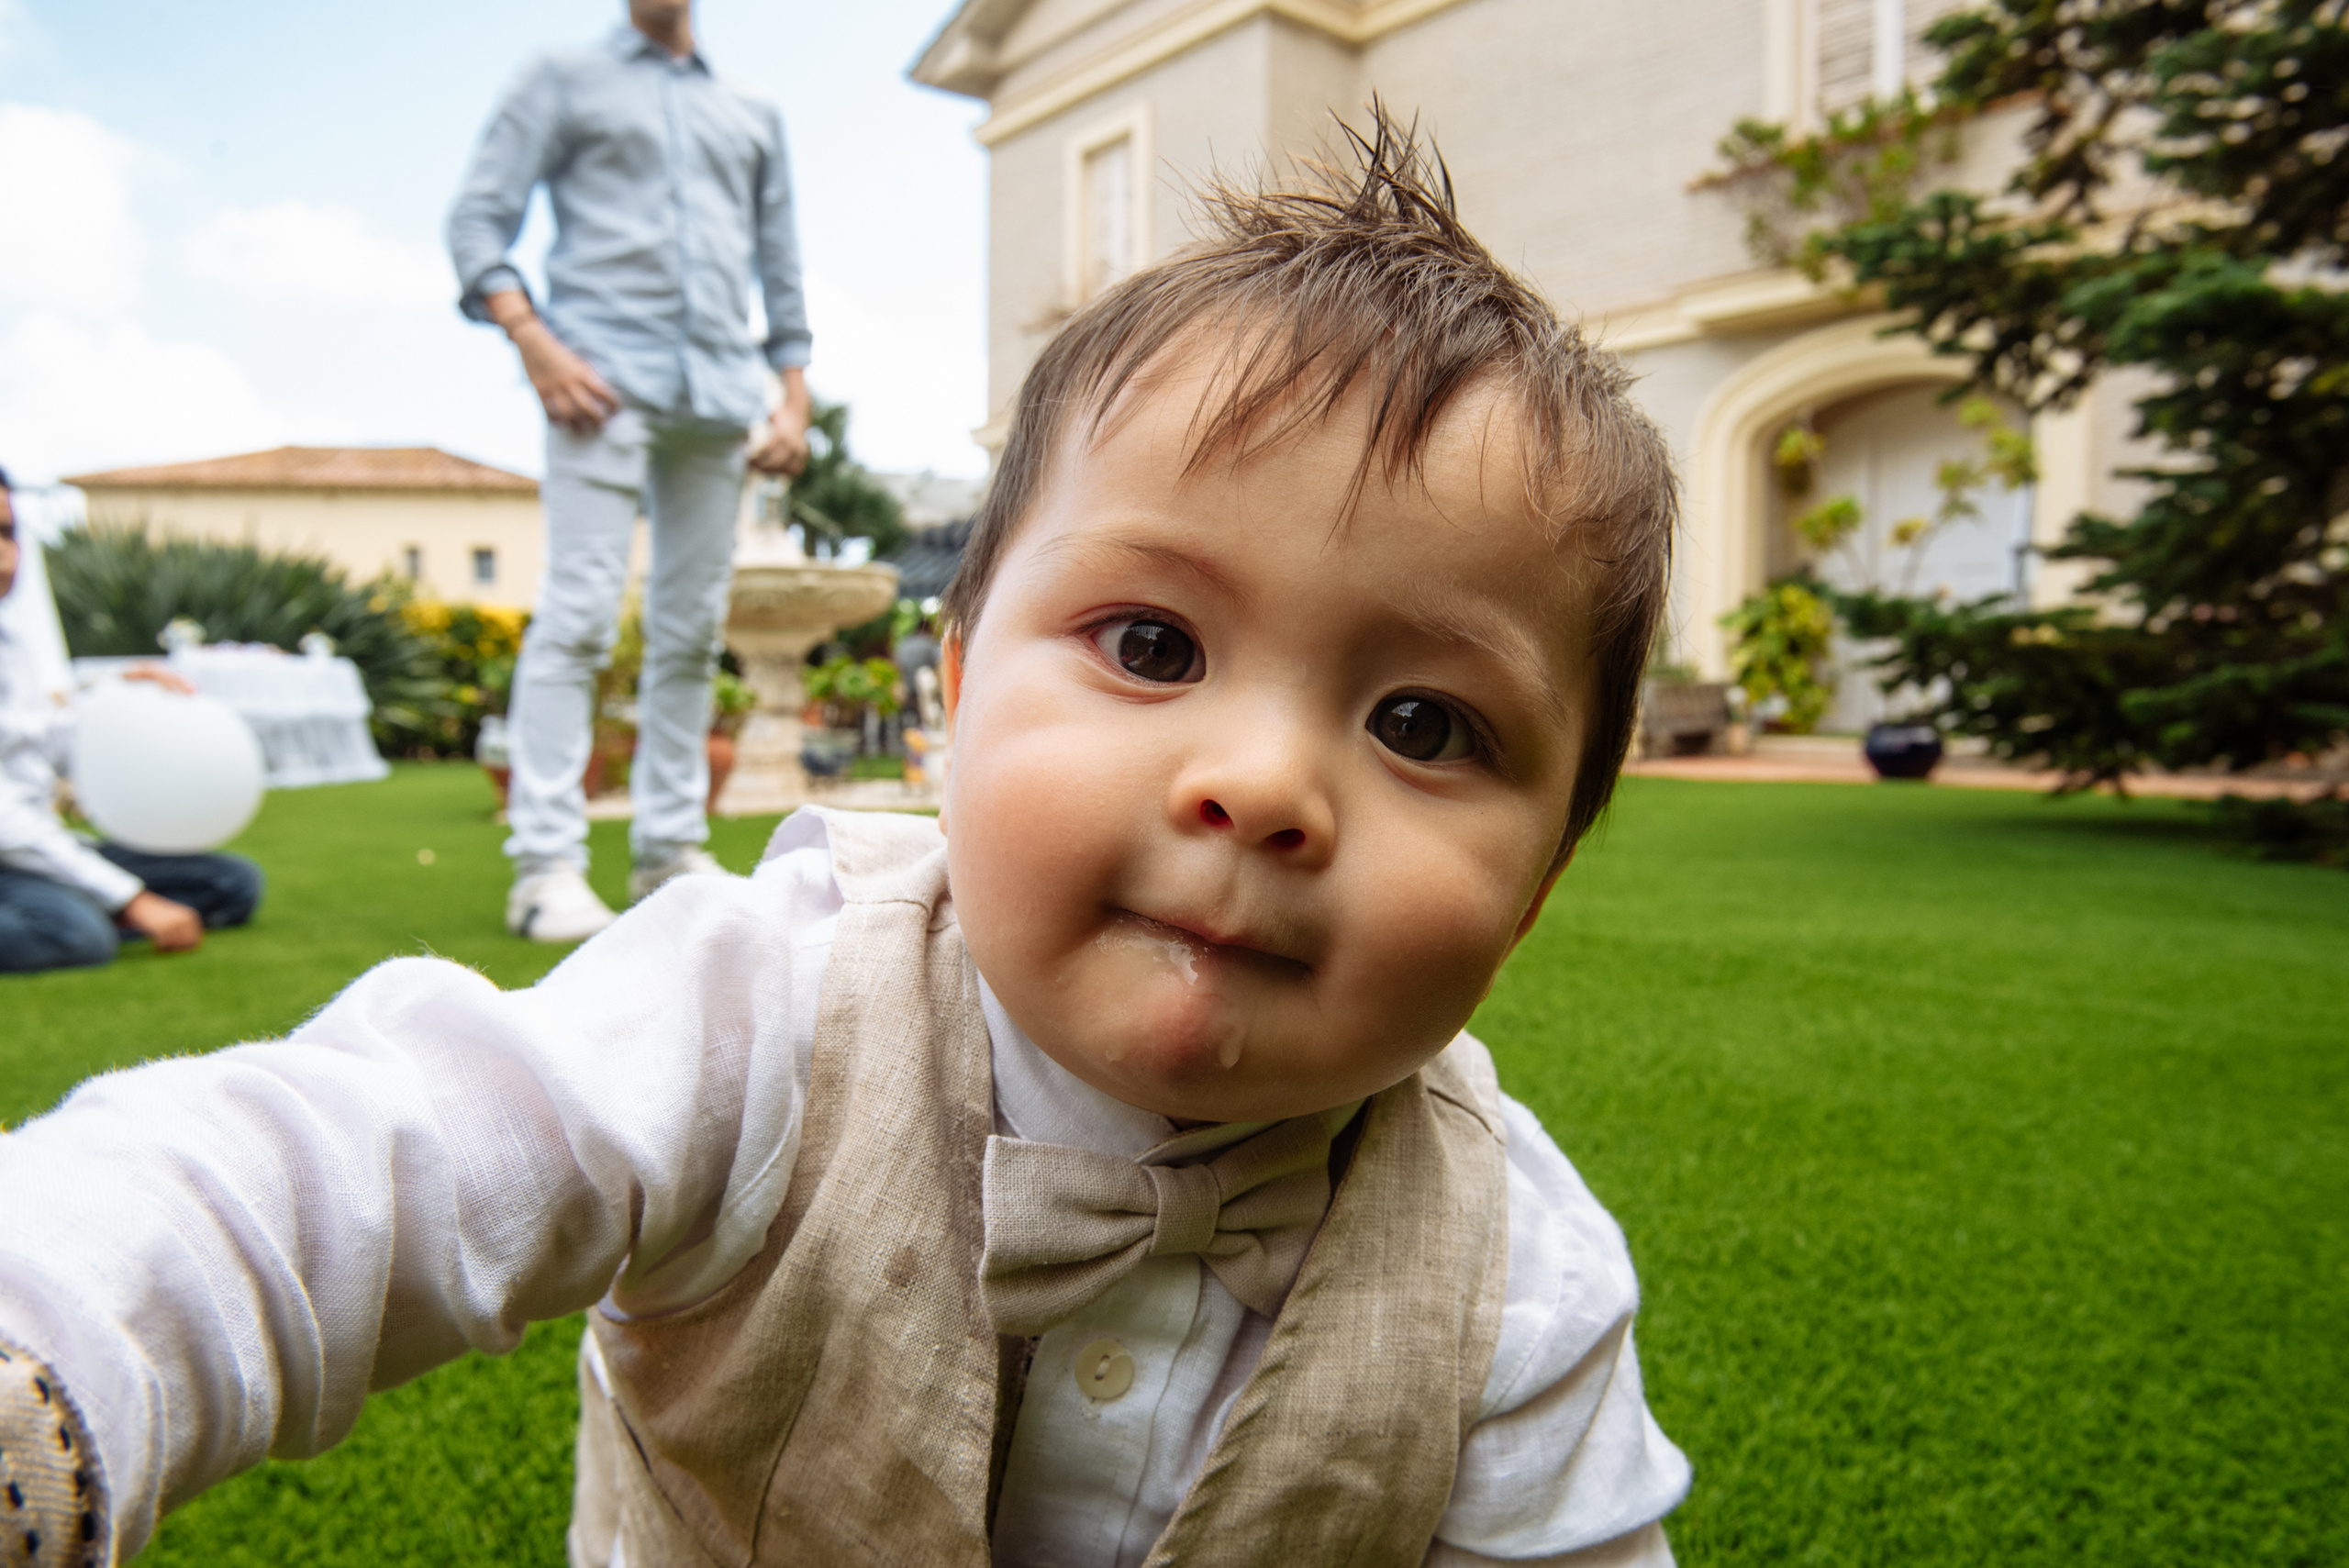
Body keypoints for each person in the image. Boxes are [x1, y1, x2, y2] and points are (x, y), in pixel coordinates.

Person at [0, 124, 1691, 1566]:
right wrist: (55, 1349)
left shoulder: (1522, 1274)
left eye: (1425, 725)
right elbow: (346, 1163)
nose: (1259, 786)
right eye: (1154, 645)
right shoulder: (761, 1004)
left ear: (1537, 885)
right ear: (953, 703)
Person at [448, 0, 815, 943]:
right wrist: (536, 344)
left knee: (691, 628)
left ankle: (668, 851)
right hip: (597, 382)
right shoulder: (559, 77)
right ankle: (546, 868)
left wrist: (793, 392)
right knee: (576, 613)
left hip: (718, 394)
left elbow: (780, 261)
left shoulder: (751, 111)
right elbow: (478, 220)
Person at [0, 472, 263, 975]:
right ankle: (81, 907)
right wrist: (131, 899)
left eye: (7, 532)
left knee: (232, 883)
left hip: (33, 849)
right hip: (10, 848)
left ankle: (72, 898)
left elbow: (38, 729)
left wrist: (117, 690)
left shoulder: (12, 646)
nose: (4, 552)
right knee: (76, 935)